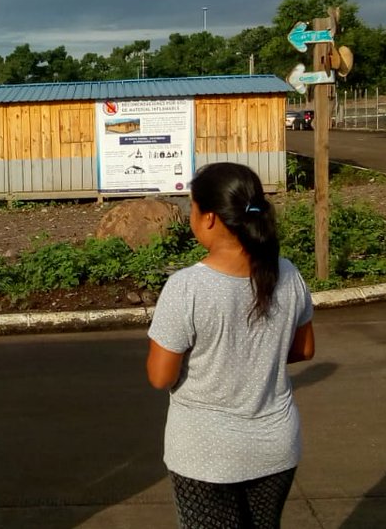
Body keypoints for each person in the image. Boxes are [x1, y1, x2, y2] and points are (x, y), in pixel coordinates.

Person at [146, 162, 315, 529]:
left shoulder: (186, 287)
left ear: (208, 218)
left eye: (190, 208)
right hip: (276, 446)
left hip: (205, 453)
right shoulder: (287, 273)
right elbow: (303, 349)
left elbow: (160, 377)